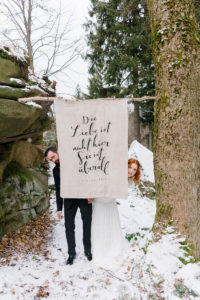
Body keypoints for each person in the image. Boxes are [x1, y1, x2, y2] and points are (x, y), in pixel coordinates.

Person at [88, 158, 141, 270]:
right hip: (100, 202)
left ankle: (112, 248)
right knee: (99, 227)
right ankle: (100, 250)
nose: (131, 171)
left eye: (134, 170)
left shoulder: (130, 182)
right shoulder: (115, 172)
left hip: (111, 204)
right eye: (130, 167)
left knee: (111, 228)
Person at [44, 146, 93, 265]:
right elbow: (58, 189)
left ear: (58, 152)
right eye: (50, 160)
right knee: (69, 227)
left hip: (84, 197)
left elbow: (88, 176)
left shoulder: (75, 160)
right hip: (69, 200)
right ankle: (71, 253)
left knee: (87, 223)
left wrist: (91, 193)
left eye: (53, 157)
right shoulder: (56, 171)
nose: (53, 160)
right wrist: (59, 209)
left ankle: (87, 250)